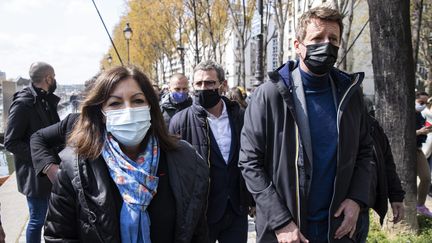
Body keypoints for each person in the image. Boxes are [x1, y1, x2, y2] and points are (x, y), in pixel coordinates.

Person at [239, 6, 373, 243]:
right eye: (317, 38)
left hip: (339, 229)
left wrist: (357, 200)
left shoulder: (350, 95)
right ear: (297, 45)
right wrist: (280, 221)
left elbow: (365, 153)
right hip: (287, 231)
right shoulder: (269, 95)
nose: (326, 45)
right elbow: (250, 163)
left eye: (333, 39)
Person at [43, 66, 209, 242]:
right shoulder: (75, 167)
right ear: (101, 114)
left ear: (150, 106)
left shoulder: (185, 159)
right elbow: (59, 237)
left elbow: (197, 231)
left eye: (137, 101)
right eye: (115, 103)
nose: (128, 110)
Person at [169, 60, 252, 243]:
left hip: (236, 210)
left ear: (222, 85)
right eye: (198, 83)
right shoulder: (179, 122)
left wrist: (251, 199)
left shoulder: (239, 115)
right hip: (201, 215)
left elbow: (251, 158)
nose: (203, 88)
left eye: (209, 83)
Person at [4, 62, 60, 243]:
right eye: (54, 77)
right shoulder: (23, 103)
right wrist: (41, 159)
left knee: (52, 219)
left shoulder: (45, 99)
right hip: (35, 175)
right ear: (48, 78)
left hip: (52, 170)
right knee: (37, 220)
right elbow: (11, 142)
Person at [356, 105, 405, 243]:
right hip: (332, 211)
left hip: (362, 210)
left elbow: (386, 161)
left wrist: (396, 196)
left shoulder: (370, 123)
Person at [415, 91, 432, 217]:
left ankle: (420, 205)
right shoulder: (404, 113)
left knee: (426, 178)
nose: (423, 105)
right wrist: (419, 132)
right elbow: (400, 134)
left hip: (417, 149)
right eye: (421, 102)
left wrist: (424, 131)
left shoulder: (421, 115)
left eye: (425, 103)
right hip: (405, 151)